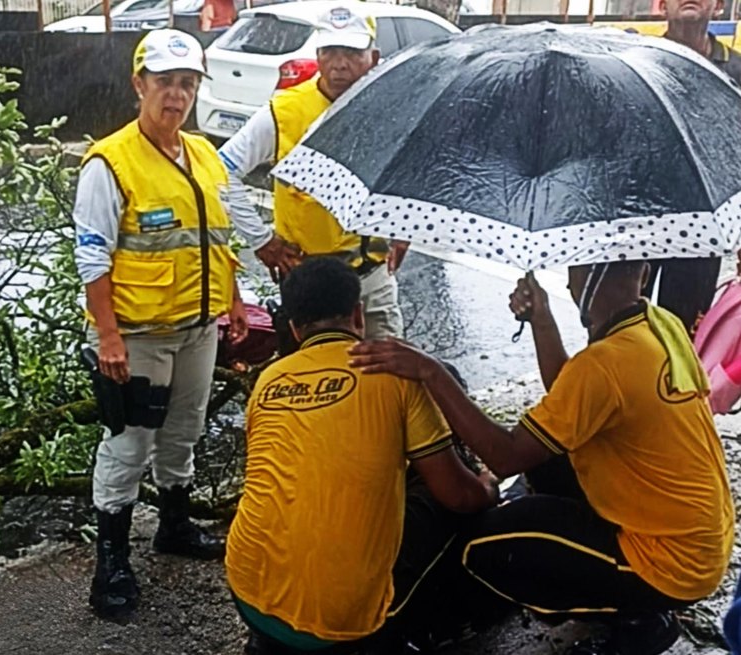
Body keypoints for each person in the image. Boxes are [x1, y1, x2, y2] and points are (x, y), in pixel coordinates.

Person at [349, 261, 735, 655]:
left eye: (575, 268)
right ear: (645, 274)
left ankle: (639, 620)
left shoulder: (606, 363)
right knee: (546, 458)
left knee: (481, 551)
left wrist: (431, 372)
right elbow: (572, 390)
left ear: (591, 278)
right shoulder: (658, 324)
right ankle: (615, 587)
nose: (568, 279)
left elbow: (505, 456)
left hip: (669, 566)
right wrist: (542, 319)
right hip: (702, 542)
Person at [226, 257, 499, 654]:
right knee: (455, 500)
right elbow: (459, 496)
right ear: (357, 314)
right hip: (343, 619)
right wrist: (488, 487)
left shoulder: (268, 380)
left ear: (294, 329)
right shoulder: (396, 375)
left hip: (248, 592)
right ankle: (435, 623)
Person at [72, 28, 249, 618]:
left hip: (198, 328)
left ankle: (174, 525)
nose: (176, 96)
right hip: (138, 334)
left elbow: (216, 238)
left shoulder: (203, 155)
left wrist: (234, 300)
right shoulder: (110, 163)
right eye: (165, 83)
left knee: (184, 431)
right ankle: (111, 563)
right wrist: (108, 337)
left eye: (187, 84)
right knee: (128, 445)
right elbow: (92, 258)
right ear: (139, 85)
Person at [220, 4, 409, 340]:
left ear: (374, 57)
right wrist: (262, 240)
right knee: (315, 368)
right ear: (317, 54)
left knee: (387, 363)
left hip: (372, 276)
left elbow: (405, 172)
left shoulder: (390, 108)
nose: (339, 63)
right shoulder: (284, 112)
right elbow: (222, 171)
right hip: (309, 280)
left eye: (351, 52)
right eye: (329, 51)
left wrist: (403, 229)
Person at [648, 0, 741, 333]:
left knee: (684, 334)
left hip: (702, 226)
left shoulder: (737, 72)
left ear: (718, 6)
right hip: (637, 218)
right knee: (617, 332)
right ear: (661, 6)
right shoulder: (637, 61)